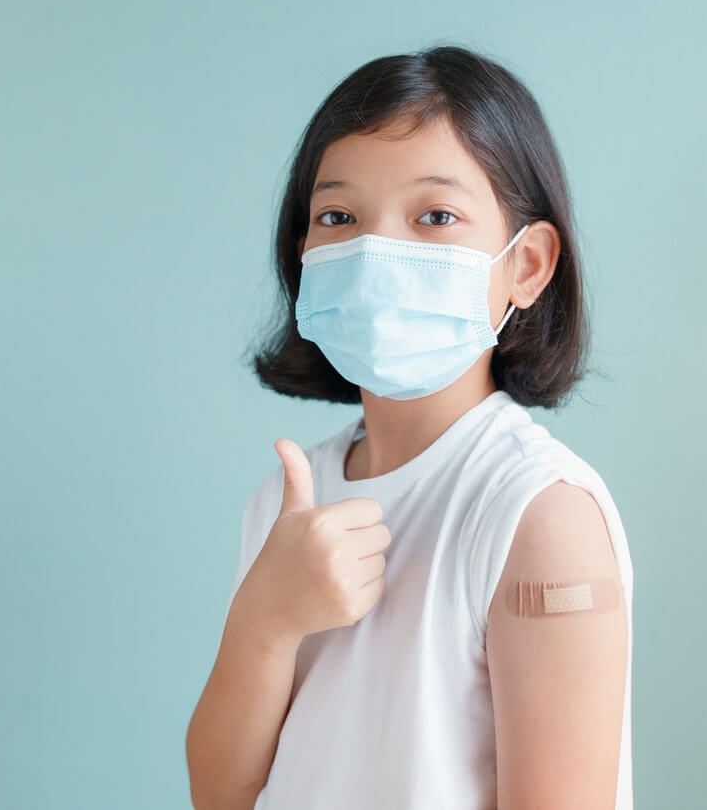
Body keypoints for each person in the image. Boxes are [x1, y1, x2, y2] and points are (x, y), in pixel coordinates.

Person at [186, 43, 635, 810]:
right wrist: (264, 620)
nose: (374, 251)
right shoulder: (284, 504)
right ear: (304, 255)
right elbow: (222, 793)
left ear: (525, 265)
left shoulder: (540, 514)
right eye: (338, 216)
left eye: (435, 215)